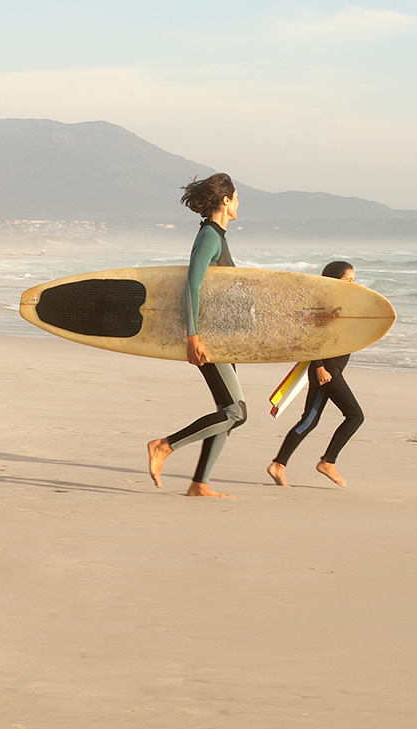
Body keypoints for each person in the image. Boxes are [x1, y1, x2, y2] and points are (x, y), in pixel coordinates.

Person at [146, 173, 248, 498]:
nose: (240, 202)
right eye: (237, 196)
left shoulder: (218, 236)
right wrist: (193, 336)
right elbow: (192, 286)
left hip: (220, 339)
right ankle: (164, 446)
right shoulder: (209, 236)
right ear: (226, 200)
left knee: (226, 410)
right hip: (206, 339)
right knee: (236, 412)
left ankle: (199, 483)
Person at [267, 261, 365, 489]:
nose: (353, 284)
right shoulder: (323, 305)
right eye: (349, 280)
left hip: (329, 370)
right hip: (327, 372)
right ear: (333, 280)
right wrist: (319, 367)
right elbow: (309, 337)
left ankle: (278, 464)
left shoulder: (341, 304)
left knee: (309, 420)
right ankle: (327, 462)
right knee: (355, 416)